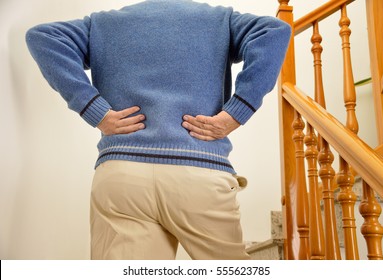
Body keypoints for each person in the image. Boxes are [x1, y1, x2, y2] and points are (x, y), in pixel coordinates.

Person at [25, 0, 291, 260]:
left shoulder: (103, 23)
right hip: (197, 170)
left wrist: (96, 111)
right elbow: (274, 31)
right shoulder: (219, 20)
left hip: (122, 176)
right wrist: (237, 112)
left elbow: (43, 37)